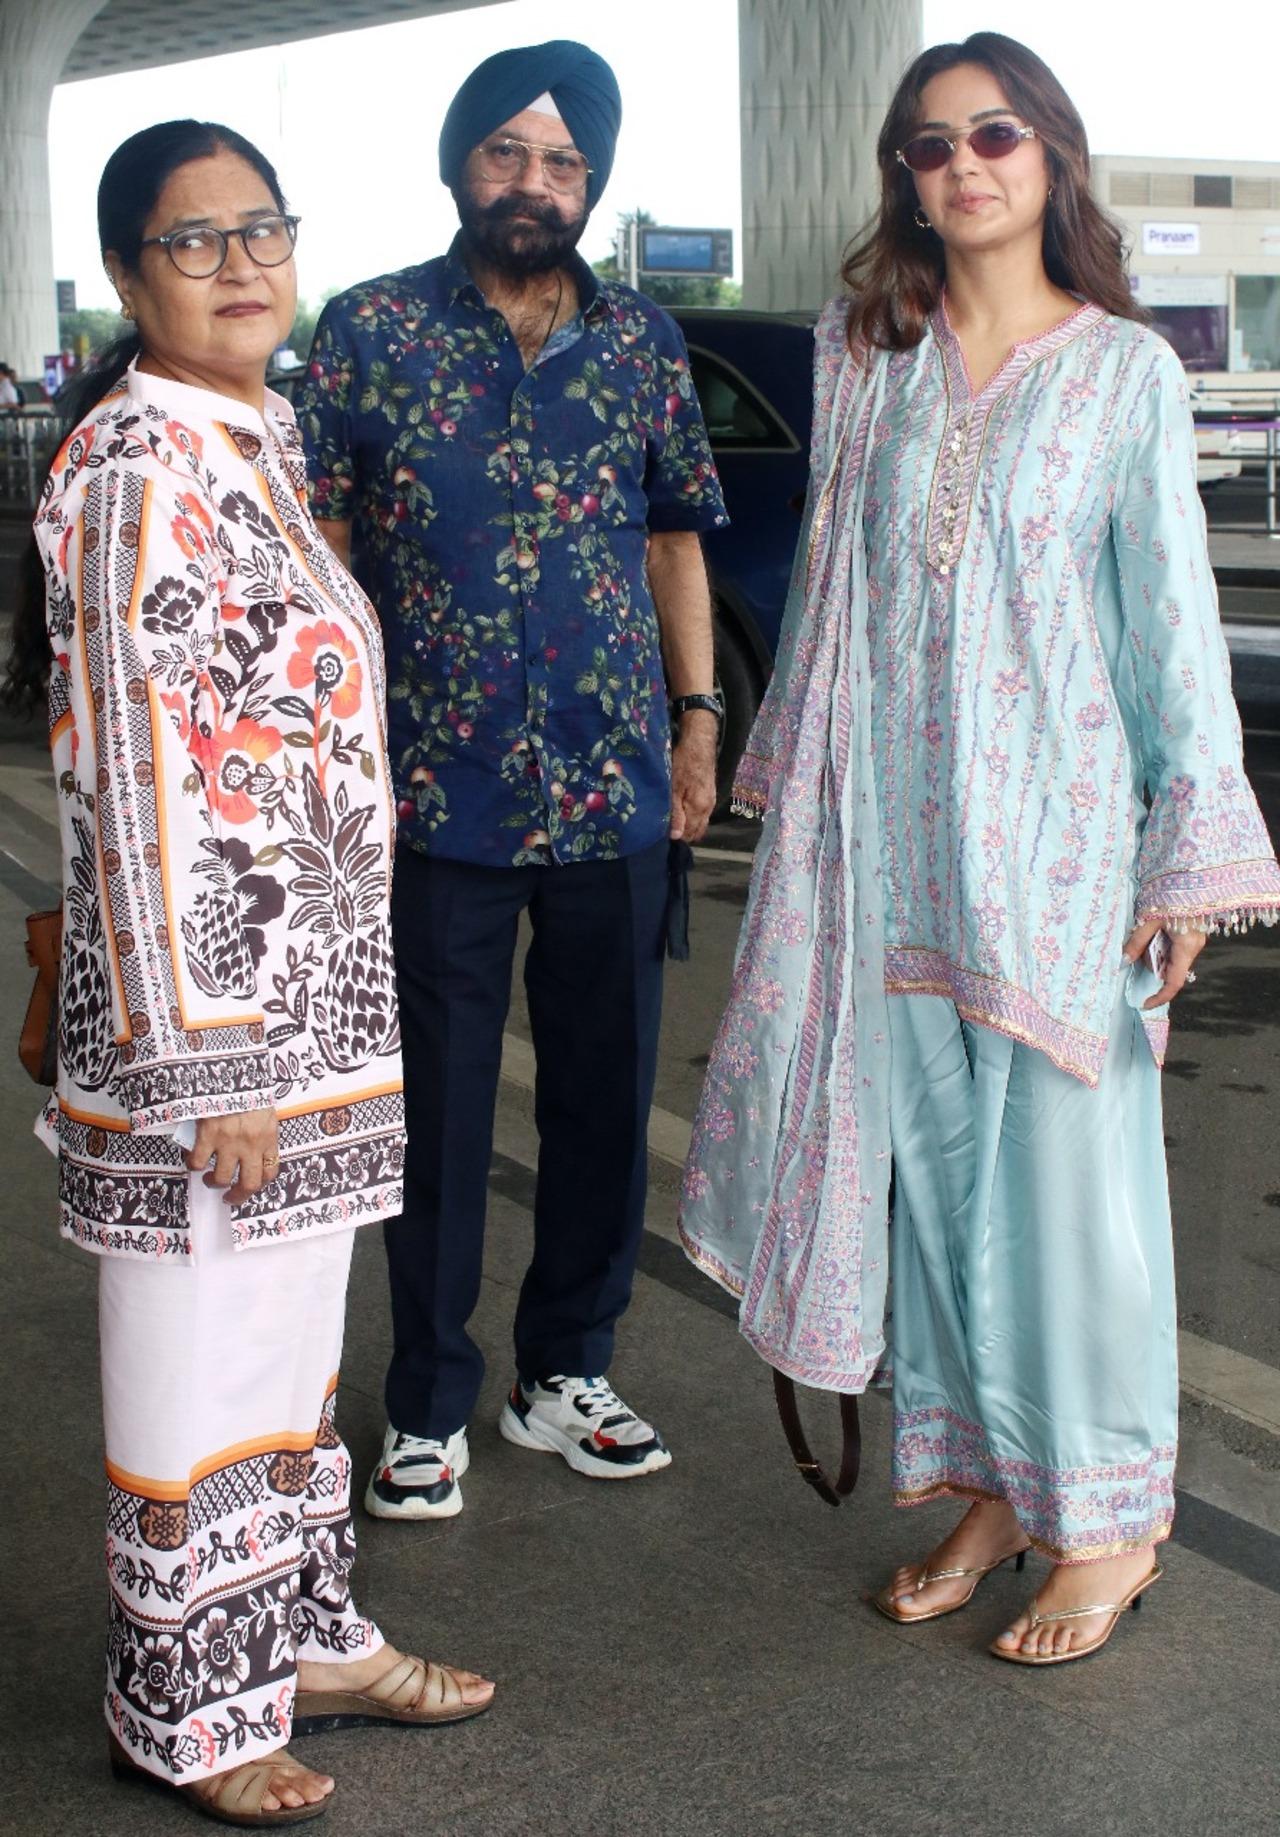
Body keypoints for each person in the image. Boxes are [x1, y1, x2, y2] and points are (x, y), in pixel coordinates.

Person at [679, 33, 1280, 1667]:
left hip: (1066, 854)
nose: (964, 166)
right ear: (906, 179)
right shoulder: (869, 357)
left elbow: (1171, 629)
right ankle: (1002, 1490)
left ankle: (1114, 1515)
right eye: (931, 145)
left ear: (1050, 156)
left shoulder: (1124, 374)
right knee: (945, 1208)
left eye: (994, 134)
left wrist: (1190, 855)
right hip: (900, 858)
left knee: (1074, 1208)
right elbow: (822, 601)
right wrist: (797, 815)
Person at [11, 121, 493, 1827]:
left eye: (260, 231)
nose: (240, 266)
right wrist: (202, 1059)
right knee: (207, 1353)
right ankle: (193, 1708)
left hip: (311, 996)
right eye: (193, 242)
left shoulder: (261, 437)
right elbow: (131, 771)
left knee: (288, 1357)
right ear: (132, 277)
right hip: (211, 1024)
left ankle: (301, 1629)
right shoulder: (135, 463)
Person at [296, 40, 727, 1520]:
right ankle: (427, 1402)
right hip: (433, 793)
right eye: (506, 153)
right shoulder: (369, 335)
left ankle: (569, 1372)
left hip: (612, 792)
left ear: (592, 185)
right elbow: (323, 547)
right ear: (458, 162)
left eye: (562, 162)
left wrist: (699, 723)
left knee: (606, 1100)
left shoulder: (645, 347)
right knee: (439, 1108)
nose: (532, 183)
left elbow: (677, 538)